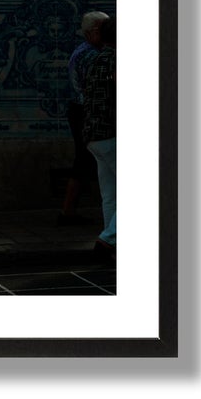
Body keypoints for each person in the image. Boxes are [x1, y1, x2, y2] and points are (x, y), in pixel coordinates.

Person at [58, 11, 110, 224]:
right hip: (85, 112)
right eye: (103, 31)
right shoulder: (91, 55)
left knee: (85, 159)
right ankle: (68, 211)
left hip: (81, 110)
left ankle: (69, 211)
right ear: (91, 32)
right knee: (84, 159)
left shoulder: (86, 51)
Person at [83, 15, 117, 261]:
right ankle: (108, 239)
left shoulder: (93, 59)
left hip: (93, 134)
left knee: (111, 194)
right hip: (114, 133)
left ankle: (114, 242)